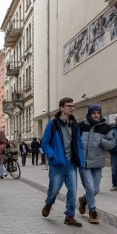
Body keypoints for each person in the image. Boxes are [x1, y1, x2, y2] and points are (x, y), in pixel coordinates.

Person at [40, 97, 85, 227]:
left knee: (73, 190)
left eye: (73, 106)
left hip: (71, 164)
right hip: (58, 164)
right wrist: (52, 156)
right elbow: (45, 144)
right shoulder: (53, 124)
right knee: (54, 190)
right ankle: (49, 203)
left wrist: (80, 156)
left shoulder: (75, 124)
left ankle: (69, 216)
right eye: (68, 106)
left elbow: (78, 142)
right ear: (61, 108)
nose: (71, 108)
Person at [77, 104, 116, 224]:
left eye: (98, 113)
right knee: (89, 187)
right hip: (83, 162)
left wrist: (101, 140)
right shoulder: (81, 126)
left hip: (97, 162)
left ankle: (83, 200)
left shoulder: (106, 127)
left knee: (95, 190)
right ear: (89, 113)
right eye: (94, 113)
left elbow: (112, 143)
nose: (96, 115)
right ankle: (92, 212)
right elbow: (74, 142)